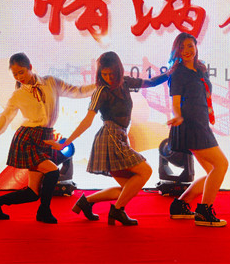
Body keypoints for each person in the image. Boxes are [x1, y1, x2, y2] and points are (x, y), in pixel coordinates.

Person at [0, 52, 95, 224]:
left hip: (46, 137)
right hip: (27, 139)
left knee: (33, 193)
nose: (19, 77)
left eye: (22, 72)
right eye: (15, 74)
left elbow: (77, 91)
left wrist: (99, 86)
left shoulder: (51, 82)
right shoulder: (18, 95)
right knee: (52, 171)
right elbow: (4, 119)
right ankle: (44, 212)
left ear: (30, 68)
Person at [46, 51, 167, 226]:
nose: (109, 78)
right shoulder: (101, 91)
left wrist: (171, 72)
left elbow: (151, 82)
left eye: (112, 73)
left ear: (119, 70)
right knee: (145, 171)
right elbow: (87, 121)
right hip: (110, 137)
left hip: (120, 137)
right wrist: (65, 142)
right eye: (104, 74)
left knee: (127, 188)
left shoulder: (125, 82)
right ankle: (117, 211)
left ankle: (86, 202)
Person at [166, 32, 228, 227]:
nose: (186, 50)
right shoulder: (178, 74)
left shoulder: (201, 70)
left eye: (189, 46)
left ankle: (180, 205)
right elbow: (176, 103)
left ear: (195, 47)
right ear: (177, 51)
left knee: (212, 170)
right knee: (221, 165)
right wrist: (177, 116)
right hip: (190, 125)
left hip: (202, 123)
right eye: (182, 47)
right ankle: (204, 211)